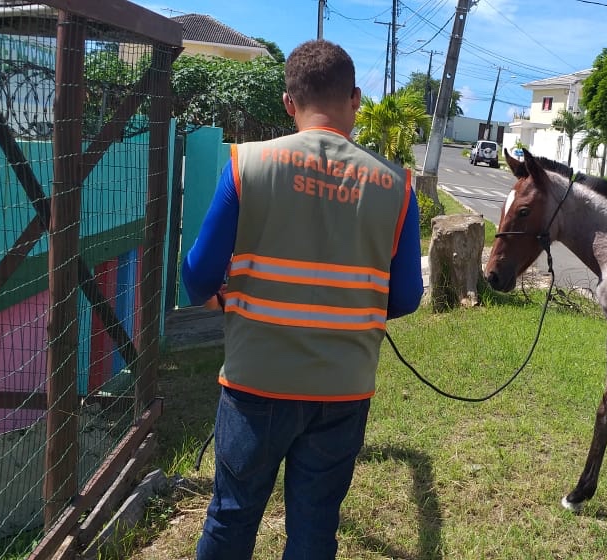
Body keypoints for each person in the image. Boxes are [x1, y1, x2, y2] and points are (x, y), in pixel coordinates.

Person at [183, 39, 424, 559]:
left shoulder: (248, 165)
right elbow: (406, 296)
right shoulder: (397, 186)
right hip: (342, 389)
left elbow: (197, 276)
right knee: (315, 531)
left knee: (230, 518)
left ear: (289, 103)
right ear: (355, 98)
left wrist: (216, 298)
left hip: (255, 382)